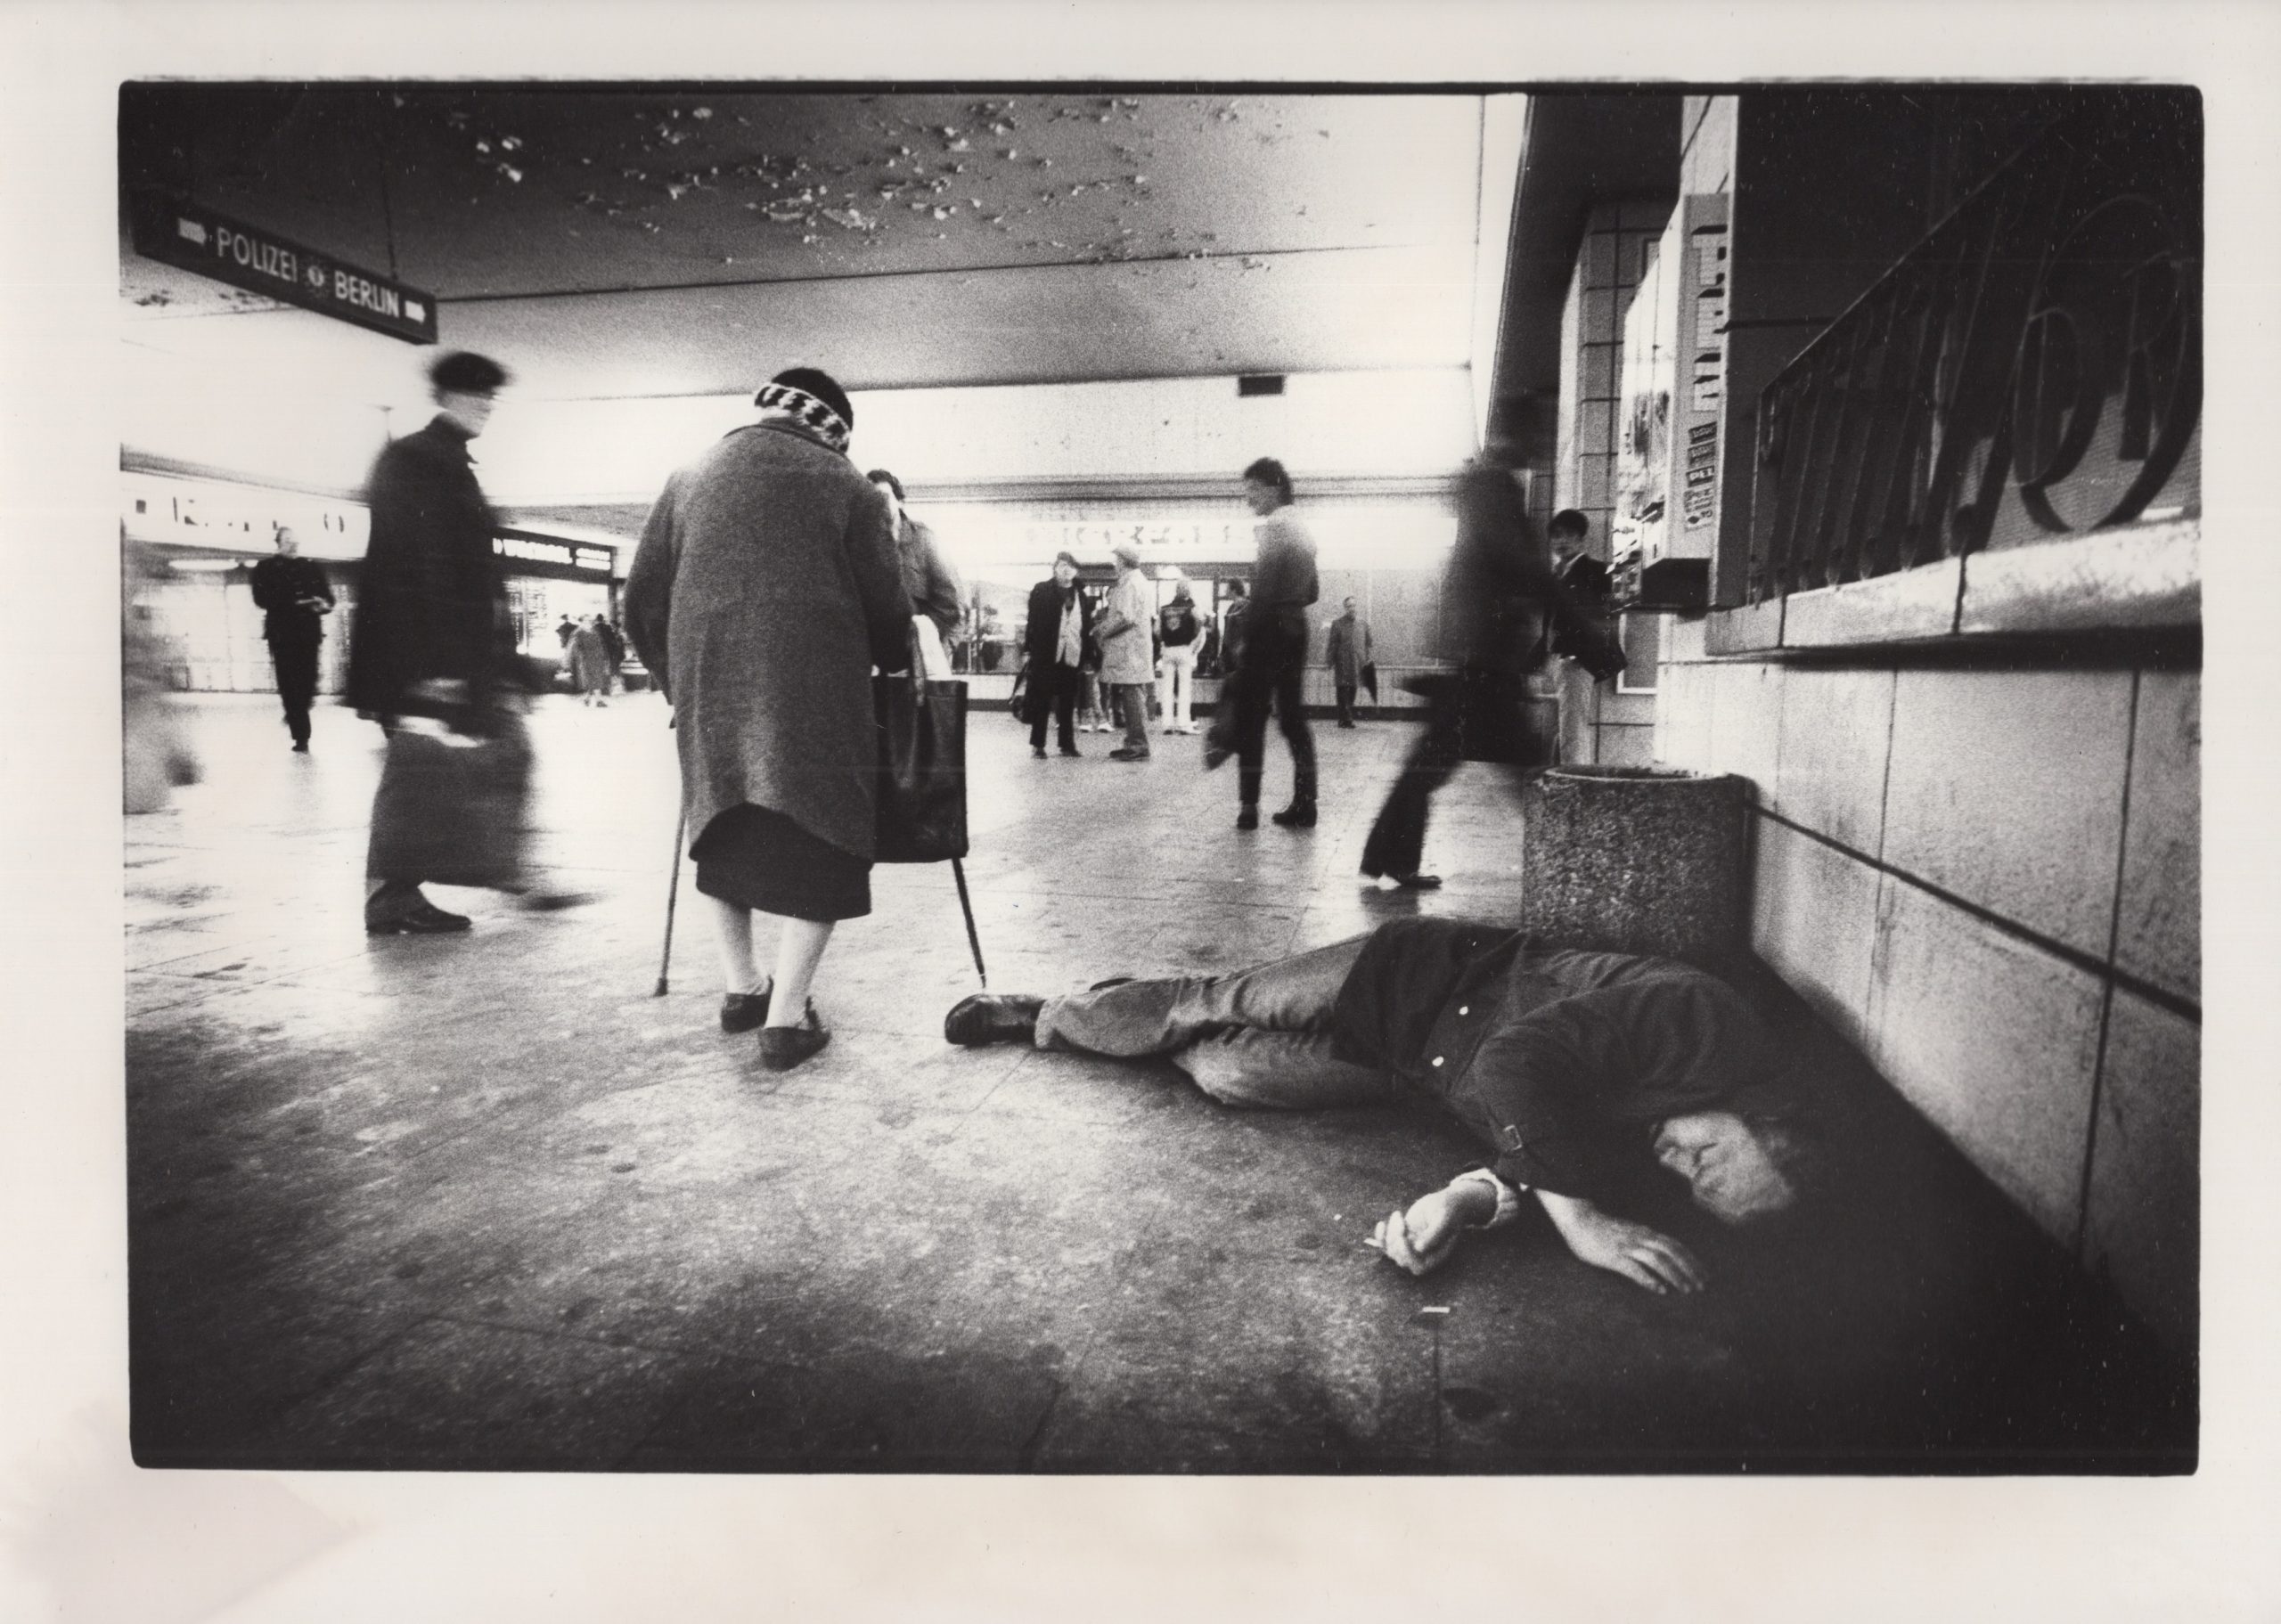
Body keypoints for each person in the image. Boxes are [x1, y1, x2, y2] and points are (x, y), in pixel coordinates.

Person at [941, 918, 1813, 1295]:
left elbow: (1536, 1161)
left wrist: (1457, 1203)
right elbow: (1520, 1069)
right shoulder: (1699, 1020)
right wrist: (1584, 1223)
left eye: (1696, 1188)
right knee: (1218, 1000)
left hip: (1416, 1069)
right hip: (1424, 976)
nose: (1677, 1164)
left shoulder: (1664, 1140)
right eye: (1711, 1159)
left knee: (1223, 1075)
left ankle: (1129, 1009)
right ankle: (1048, 1015)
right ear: (1763, 1122)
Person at [625, 365, 910, 1070]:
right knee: (826, 841)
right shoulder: (851, 488)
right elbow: (888, 614)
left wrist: (675, 684)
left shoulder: (686, 478)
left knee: (721, 827)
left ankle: (741, 987)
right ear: (836, 431)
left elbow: (640, 603)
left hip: (708, 695)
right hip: (815, 702)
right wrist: (892, 665)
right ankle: (786, 1020)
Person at [347, 349, 565, 936]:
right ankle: (508, 876)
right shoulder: (415, 461)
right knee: (436, 768)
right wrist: (438, 663)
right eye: (475, 395)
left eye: (490, 397)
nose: (486, 405)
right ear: (445, 397)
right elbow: (419, 566)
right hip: (424, 654)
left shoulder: (443, 462)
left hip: (445, 651)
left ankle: (416, 889)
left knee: (430, 770)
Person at [1357, 439, 1621, 891]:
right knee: (1525, 771)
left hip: (1475, 662)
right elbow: (1525, 570)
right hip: (1487, 664)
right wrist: (1594, 640)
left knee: (1432, 769)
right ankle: (1575, 872)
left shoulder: (1481, 488)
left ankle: (1388, 858)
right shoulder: (1494, 487)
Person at [1205, 459, 1319, 830]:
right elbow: (1313, 590)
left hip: (1269, 630)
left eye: (1252, 490)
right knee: (1292, 718)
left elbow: (1264, 589)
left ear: (1273, 486)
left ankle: (1248, 807)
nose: (1247, 498)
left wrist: (1247, 640)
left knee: (1251, 717)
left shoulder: (1274, 527)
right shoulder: (1303, 528)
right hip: (1296, 627)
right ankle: (1306, 802)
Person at [867, 467, 963, 679]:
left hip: (918, 662)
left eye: (883, 497)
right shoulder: (862, 547)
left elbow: (950, 605)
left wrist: (922, 637)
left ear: (900, 501)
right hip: (875, 664)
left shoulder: (925, 541)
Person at [247, 525, 335, 752]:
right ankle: (301, 736)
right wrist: (293, 603)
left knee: (308, 680)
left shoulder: (312, 567)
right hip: (282, 633)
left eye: (295, 540)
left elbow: (329, 599)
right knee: (288, 683)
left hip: (309, 632)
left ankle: (297, 711)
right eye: (288, 540)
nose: (293, 544)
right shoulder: (265, 568)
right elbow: (260, 599)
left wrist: (324, 605)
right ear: (278, 544)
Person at [1021, 551, 1092, 759]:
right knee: (1041, 700)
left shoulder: (1081, 595)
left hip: (1072, 653)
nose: (1067, 569)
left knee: (1068, 702)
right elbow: (1032, 622)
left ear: (1076, 570)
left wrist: (1087, 656)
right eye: (1062, 565)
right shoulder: (1041, 590)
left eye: (1070, 566)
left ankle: (1067, 744)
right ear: (1055, 568)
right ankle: (1038, 745)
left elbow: (1085, 627)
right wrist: (1028, 649)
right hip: (1046, 655)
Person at [1096, 540, 1156, 762]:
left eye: (1117, 560)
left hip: (1130, 650)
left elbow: (1125, 617)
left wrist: (1102, 631)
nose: (1115, 564)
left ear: (1124, 561)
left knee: (1132, 697)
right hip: (1133, 649)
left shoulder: (1131, 584)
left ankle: (1138, 745)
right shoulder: (1137, 581)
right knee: (1131, 696)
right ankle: (1133, 742)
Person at [1156, 581, 1203, 734]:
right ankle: (1183, 725)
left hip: (1168, 650)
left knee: (1167, 688)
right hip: (1184, 649)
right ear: (1186, 592)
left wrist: (1165, 639)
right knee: (1184, 688)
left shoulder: (1164, 609)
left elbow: (1156, 630)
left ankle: (1167, 724)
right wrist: (1191, 637)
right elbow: (1199, 622)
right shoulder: (1190, 608)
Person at [1323, 594, 1372, 729]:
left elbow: (1368, 643)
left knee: (1353, 689)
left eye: (1354, 605)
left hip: (1357, 663)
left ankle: (1346, 717)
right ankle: (1346, 719)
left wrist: (1367, 659)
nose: (1352, 608)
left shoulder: (1363, 624)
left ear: (1357, 606)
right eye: (1349, 606)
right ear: (1345, 608)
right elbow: (1333, 644)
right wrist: (1329, 661)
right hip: (1342, 663)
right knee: (1343, 689)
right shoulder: (1337, 623)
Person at [567, 614, 613, 706]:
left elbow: (601, 645)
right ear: (582, 622)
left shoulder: (594, 631)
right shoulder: (578, 633)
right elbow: (574, 648)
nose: (588, 622)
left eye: (589, 620)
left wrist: (605, 657)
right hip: (586, 659)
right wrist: (579, 657)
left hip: (597, 659)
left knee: (594, 679)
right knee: (595, 679)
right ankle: (599, 701)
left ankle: (587, 699)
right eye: (586, 620)